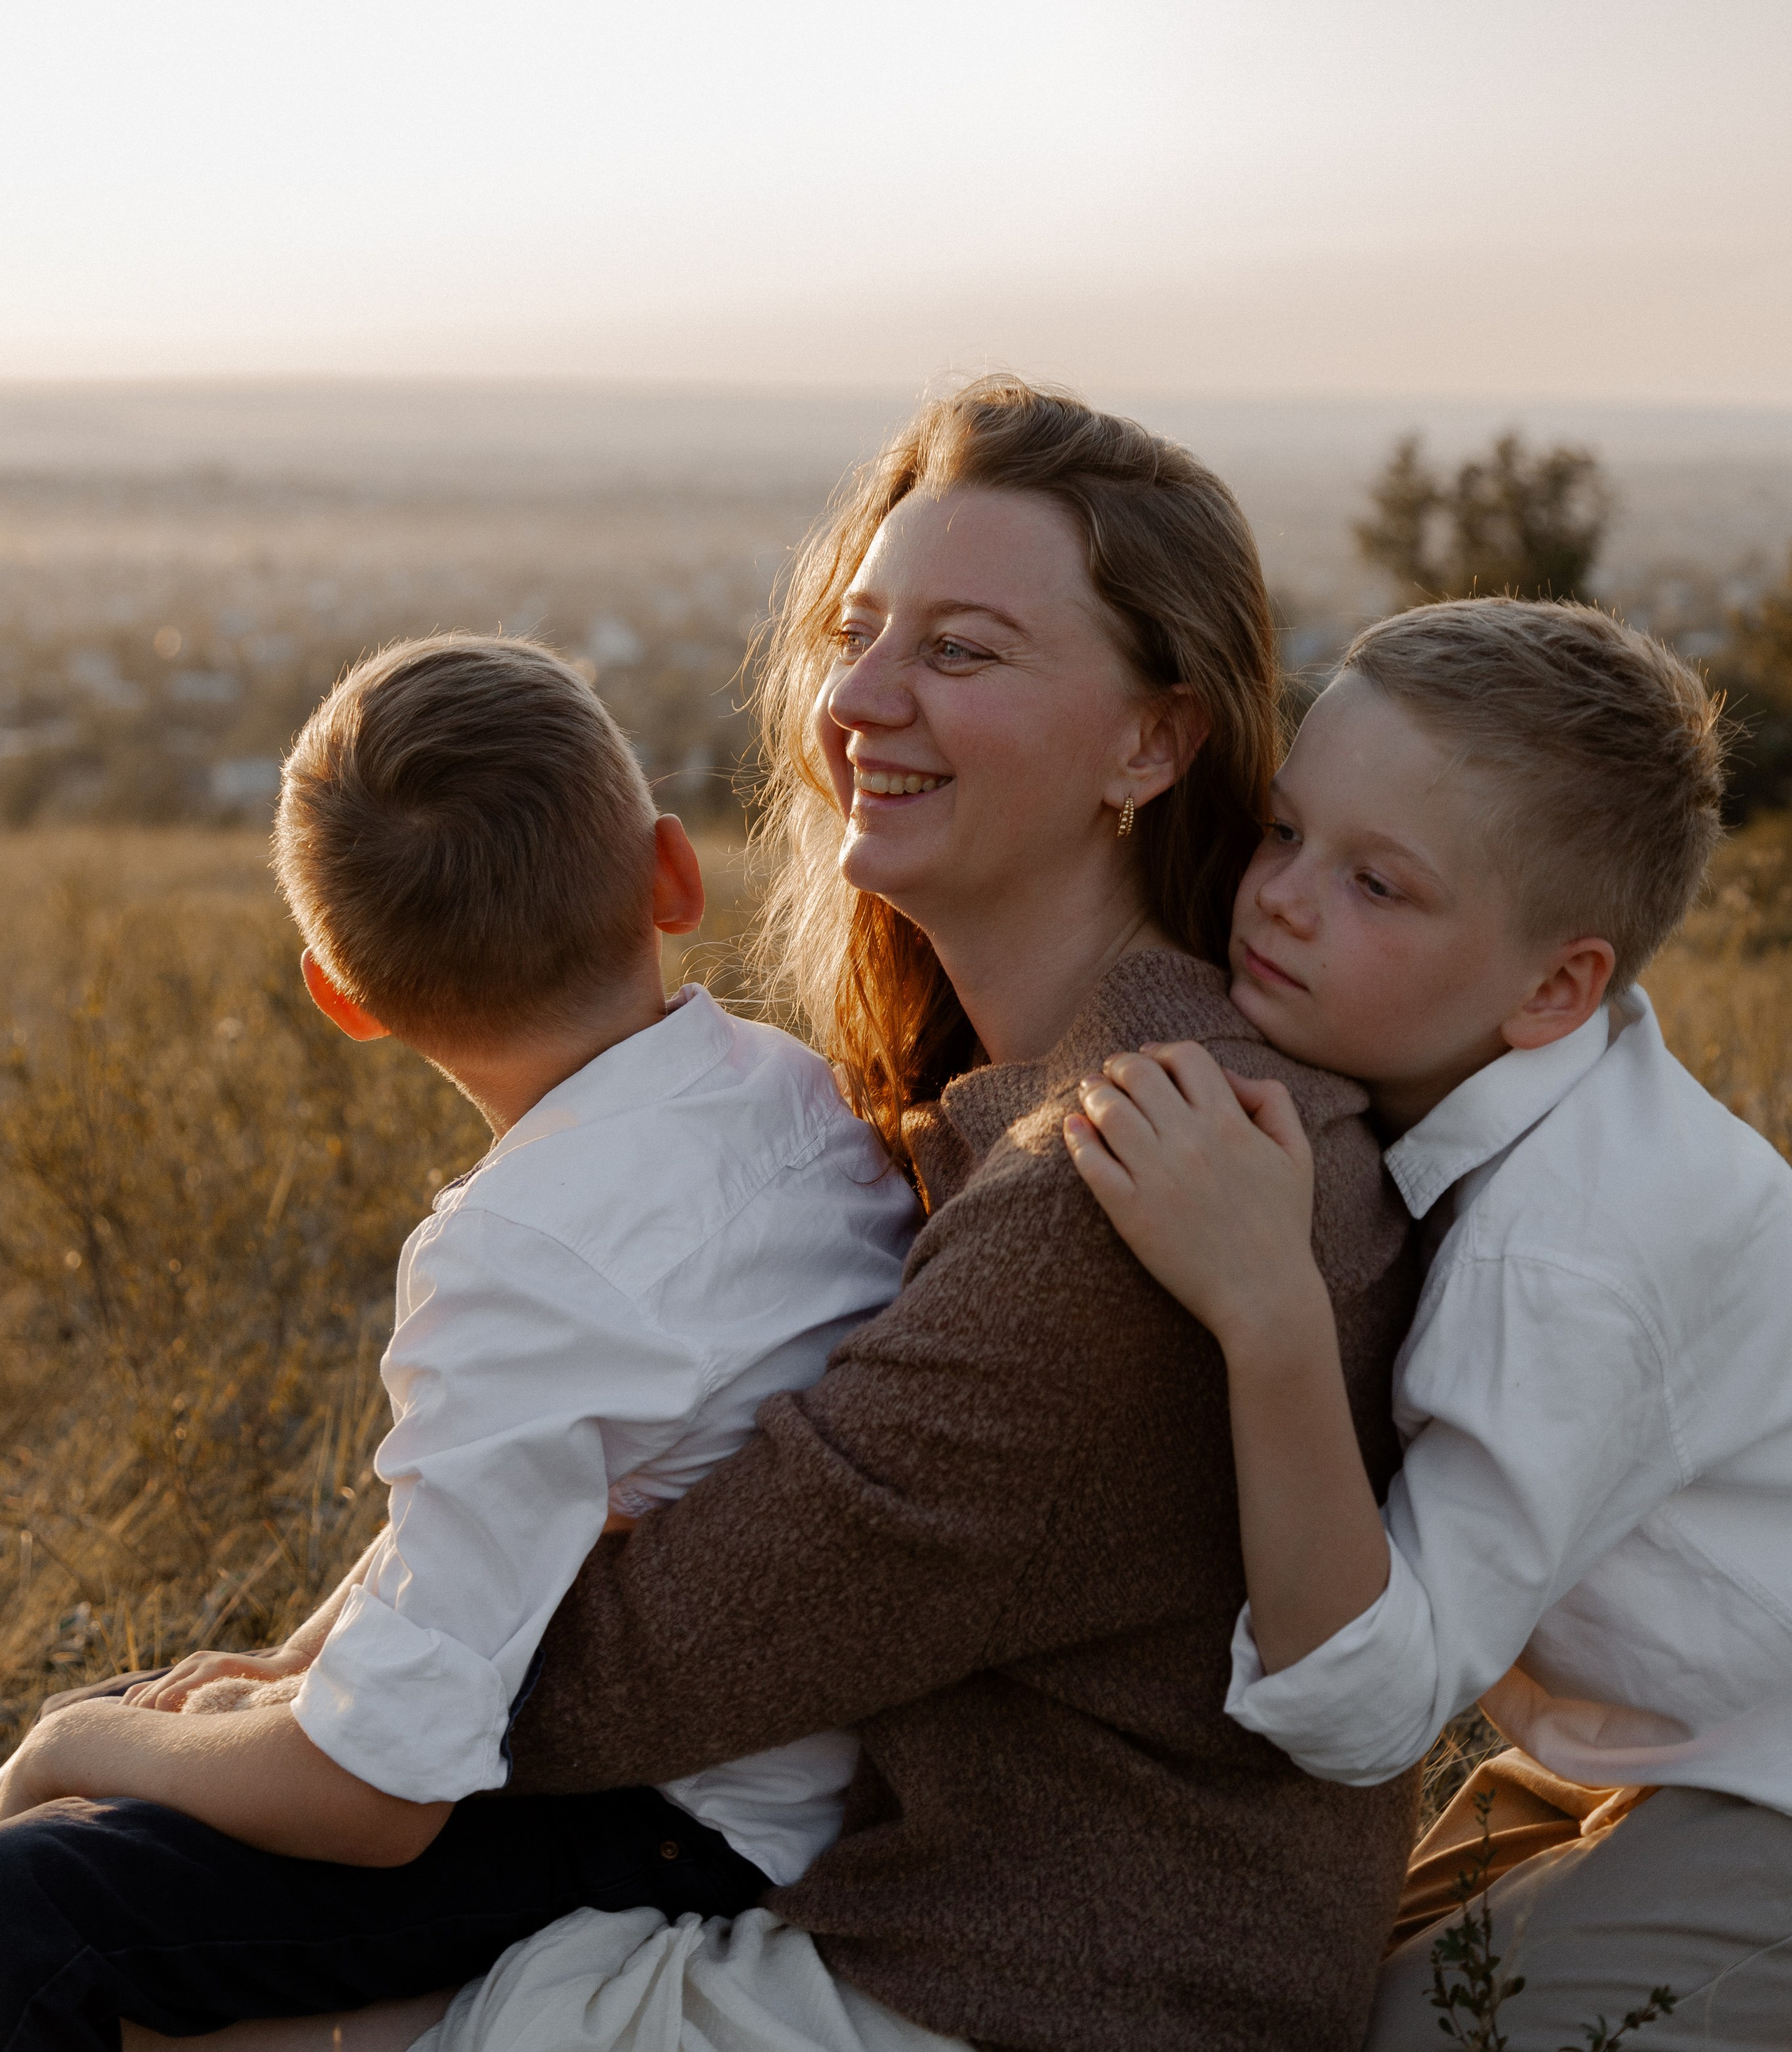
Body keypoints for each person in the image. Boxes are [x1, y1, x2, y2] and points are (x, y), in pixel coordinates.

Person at [342, 379, 1422, 2052]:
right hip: (961, 1941)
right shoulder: (1026, 1093)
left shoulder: (1122, 1168)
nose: (856, 697)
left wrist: (333, 1674)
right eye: (857, 629)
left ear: (1153, 739)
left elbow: (634, 1677)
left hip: (1031, 1996)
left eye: (961, 651)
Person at [0, 633, 918, 2047]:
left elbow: (377, 1800)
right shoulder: (781, 1093)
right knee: (166, 1721)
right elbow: (519, 1506)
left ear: (343, 1000)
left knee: (39, 1893)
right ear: (673, 876)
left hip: (675, 1829)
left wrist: (75, 1739)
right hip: (752, 1770)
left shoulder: (521, 1256)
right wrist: (303, 1655)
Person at [1068, 596, 1792, 2049]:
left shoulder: (1564, 1257)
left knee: (1408, 2036)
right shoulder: (1512, 1087)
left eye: (1377, 887)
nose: (1276, 897)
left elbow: (1366, 1708)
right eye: (1283, 834)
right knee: (1290, 1985)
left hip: (1767, 1783)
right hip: (1653, 1746)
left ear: (1552, 988)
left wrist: (1264, 1306)